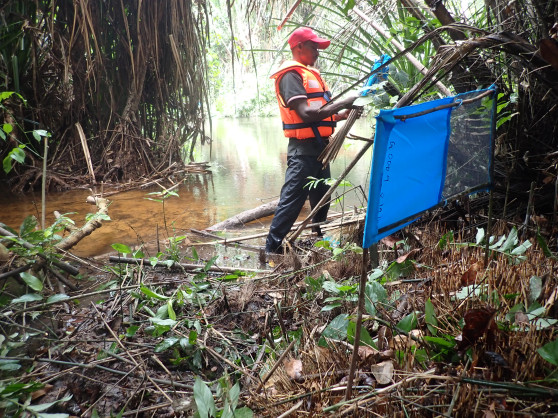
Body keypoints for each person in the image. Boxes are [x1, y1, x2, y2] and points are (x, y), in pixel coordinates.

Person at [265, 27, 359, 254]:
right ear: (299, 47)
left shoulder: (310, 74)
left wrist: (341, 114)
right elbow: (306, 114)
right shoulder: (290, 76)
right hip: (303, 150)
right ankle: (272, 249)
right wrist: (347, 101)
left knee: (322, 196)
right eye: (313, 47)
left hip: (320, 148)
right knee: (292, 201)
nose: (317, 52)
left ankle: (317, 239)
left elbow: (322, 112)